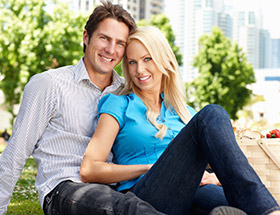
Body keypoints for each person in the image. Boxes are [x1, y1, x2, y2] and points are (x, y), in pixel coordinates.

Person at [80, 26, 280, 215]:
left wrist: (214, 177)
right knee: (212, 113)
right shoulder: (119, 104)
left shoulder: (186, 113)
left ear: (163, 60)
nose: (139, 69)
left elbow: (225, 160)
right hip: (147, 195)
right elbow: (90, 169)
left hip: (191, 192)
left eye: (147, 59)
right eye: (132, 62)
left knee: (240, 208)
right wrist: (150, 168)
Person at [0, 2, 166, 214]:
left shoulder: (128, 93)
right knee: (126, 207)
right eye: (104, 38)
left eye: (119, 43)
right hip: (65, 188)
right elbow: (15, 154)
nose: (110, 49)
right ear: (86, 37)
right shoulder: (49, 84)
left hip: (115, 187)